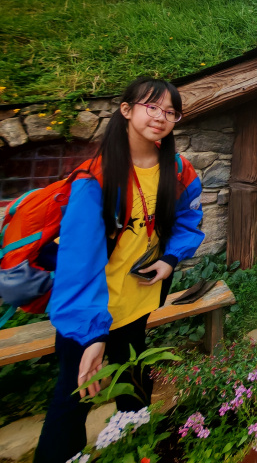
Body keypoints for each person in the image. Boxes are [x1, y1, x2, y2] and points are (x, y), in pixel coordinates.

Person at [34, 77, 204, 463]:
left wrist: (169, 260)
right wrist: (93, 335)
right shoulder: (95, 179)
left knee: (134, 375)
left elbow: (188, 220)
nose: (160, 117)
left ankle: (134, 443)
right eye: (151, 106)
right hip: (90, 311)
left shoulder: (177, 169)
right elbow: (77, 266)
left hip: (137, 300)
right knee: (73, 398)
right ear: (126, 110)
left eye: (170, 111)